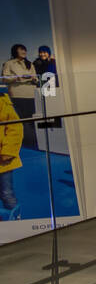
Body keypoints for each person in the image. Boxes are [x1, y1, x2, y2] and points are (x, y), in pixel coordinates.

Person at [1, 45, 37, 151]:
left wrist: (33, 78)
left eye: (25, 49)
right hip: (17, 94)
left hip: (31, 93)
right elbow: (4, 79)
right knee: (20, 119)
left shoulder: (30, 64)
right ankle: (21, 142)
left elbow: (35, 77)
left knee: (32, 118)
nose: (24, 51)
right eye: (21, 49)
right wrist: (18, 77)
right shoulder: (9, 64)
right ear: (15, 51)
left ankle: (32, 141)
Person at [0, 86, 22, 220]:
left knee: (6, 193)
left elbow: (15, 127)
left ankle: (16, 220)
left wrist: (8, 151)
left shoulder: (2, 101)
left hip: (2, 161)